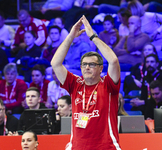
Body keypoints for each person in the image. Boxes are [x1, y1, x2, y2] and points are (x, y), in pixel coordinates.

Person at [51, 15, 121, 149]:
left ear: (101, 68)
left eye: (92, 64)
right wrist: (71, 36)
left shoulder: (108, 84)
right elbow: (55, 63)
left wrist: (92, 36)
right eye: (84, 64)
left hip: (106, 147)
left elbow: (113, 61)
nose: (87, 67)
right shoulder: (75, 83)